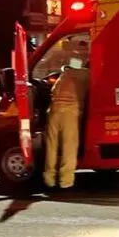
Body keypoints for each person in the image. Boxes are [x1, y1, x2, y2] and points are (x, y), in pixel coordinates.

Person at [43, 60, 89, 189]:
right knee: (69, 146)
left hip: (53, 111)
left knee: (51, 146)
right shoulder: (87, 75)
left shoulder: (65, 74)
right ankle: (66, 181)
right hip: (69, 112)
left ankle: (49, 178)